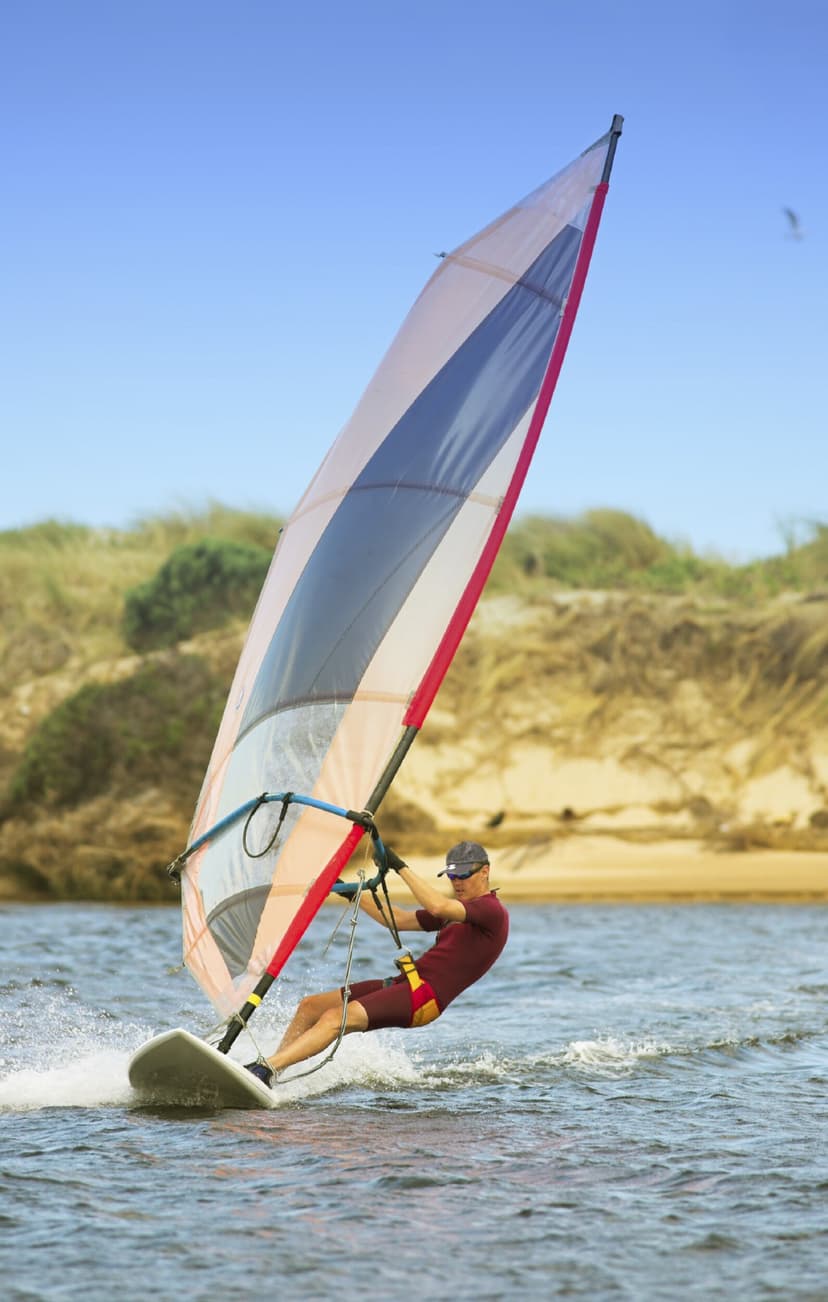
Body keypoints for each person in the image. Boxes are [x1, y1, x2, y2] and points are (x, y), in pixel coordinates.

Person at [245, 840, 509, 1087]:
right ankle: (272, 1073)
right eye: (452, 876)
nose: (457, 882)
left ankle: (263, 1070)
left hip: (423, 999)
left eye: (464, 875)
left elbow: (438, 906)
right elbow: (398, 919)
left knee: (335, 1018)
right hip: (404, 984)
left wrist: (400, 867)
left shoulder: (491, 911)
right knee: (310, 1007)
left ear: (485, 871)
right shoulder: (460, 911)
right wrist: (348, 891)